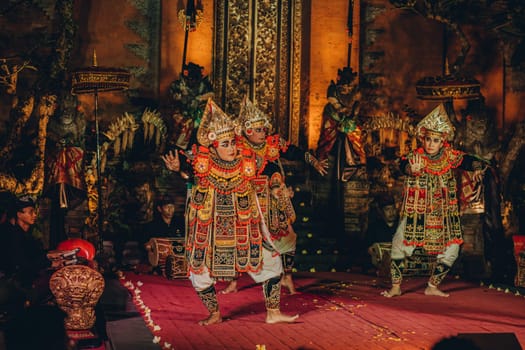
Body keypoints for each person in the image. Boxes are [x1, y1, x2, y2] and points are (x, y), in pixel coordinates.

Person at [162, 98, 299, 325]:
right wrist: (179, 171)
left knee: (273, 264)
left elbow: (267, 180)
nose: (232, 148)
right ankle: (215, 313)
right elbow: (186, 167)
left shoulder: (247, 163)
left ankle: (273, 312)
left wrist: (279, 194)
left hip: (244, 228)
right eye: (225, 144)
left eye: (233, 143)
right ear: (214, 146)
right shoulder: (202, 164)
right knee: (200, 274)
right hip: (212, 233)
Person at [220, 96, 327, 295]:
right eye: (258, 130)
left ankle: (286, 276)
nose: (263, 133)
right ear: (246, 130)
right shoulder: (237, 147)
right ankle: (234, 281)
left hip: (275, 198)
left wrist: (314, 162)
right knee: (239, 238)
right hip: (248, 199)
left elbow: (294, 151)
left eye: (264, 129)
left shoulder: (273, 143)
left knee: (288, 237)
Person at [381, 103, 484, 298]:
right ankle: (396, 286)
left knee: (453, 248)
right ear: (423, 139)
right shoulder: (415, 157)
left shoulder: (450, 156)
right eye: (428, 139)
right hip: (417, 212)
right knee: (399, 244)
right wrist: (412, 170)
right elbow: (402, 166)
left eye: (435, 140)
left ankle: (432, 286)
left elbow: (468, 160)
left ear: (442, 141)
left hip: (443, 212)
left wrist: (478, 166)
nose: (430, 144)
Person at [0, 195, 51, 315]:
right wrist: (49, 262)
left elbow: (35, 255)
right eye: (30, 212)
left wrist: (51, 256)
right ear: (19, 214)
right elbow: (21, 264)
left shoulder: (25, 235)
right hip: (10, 282)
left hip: (19, 279)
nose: (34, 215)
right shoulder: (11, 235)